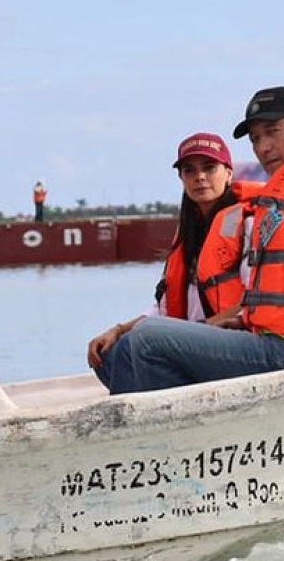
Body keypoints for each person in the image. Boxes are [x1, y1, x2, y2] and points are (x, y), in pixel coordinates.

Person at [102, 86, 284, 394]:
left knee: (145, 340)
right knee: (115, 354)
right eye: (256, 138)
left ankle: (152, 437)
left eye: (273, 132)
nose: (264, 147)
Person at [88, 132, 242, 390]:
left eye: (209, 167)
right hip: (193, 339)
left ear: (228, 173)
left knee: (138, 344)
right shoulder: (187, 237)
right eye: (189, 170)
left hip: (234, 339)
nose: (200, 177)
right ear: (181, 178)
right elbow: (166, 308)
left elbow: (261, 294)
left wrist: (211, 324)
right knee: (108, 353)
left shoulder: (248, 224)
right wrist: (118, 329)